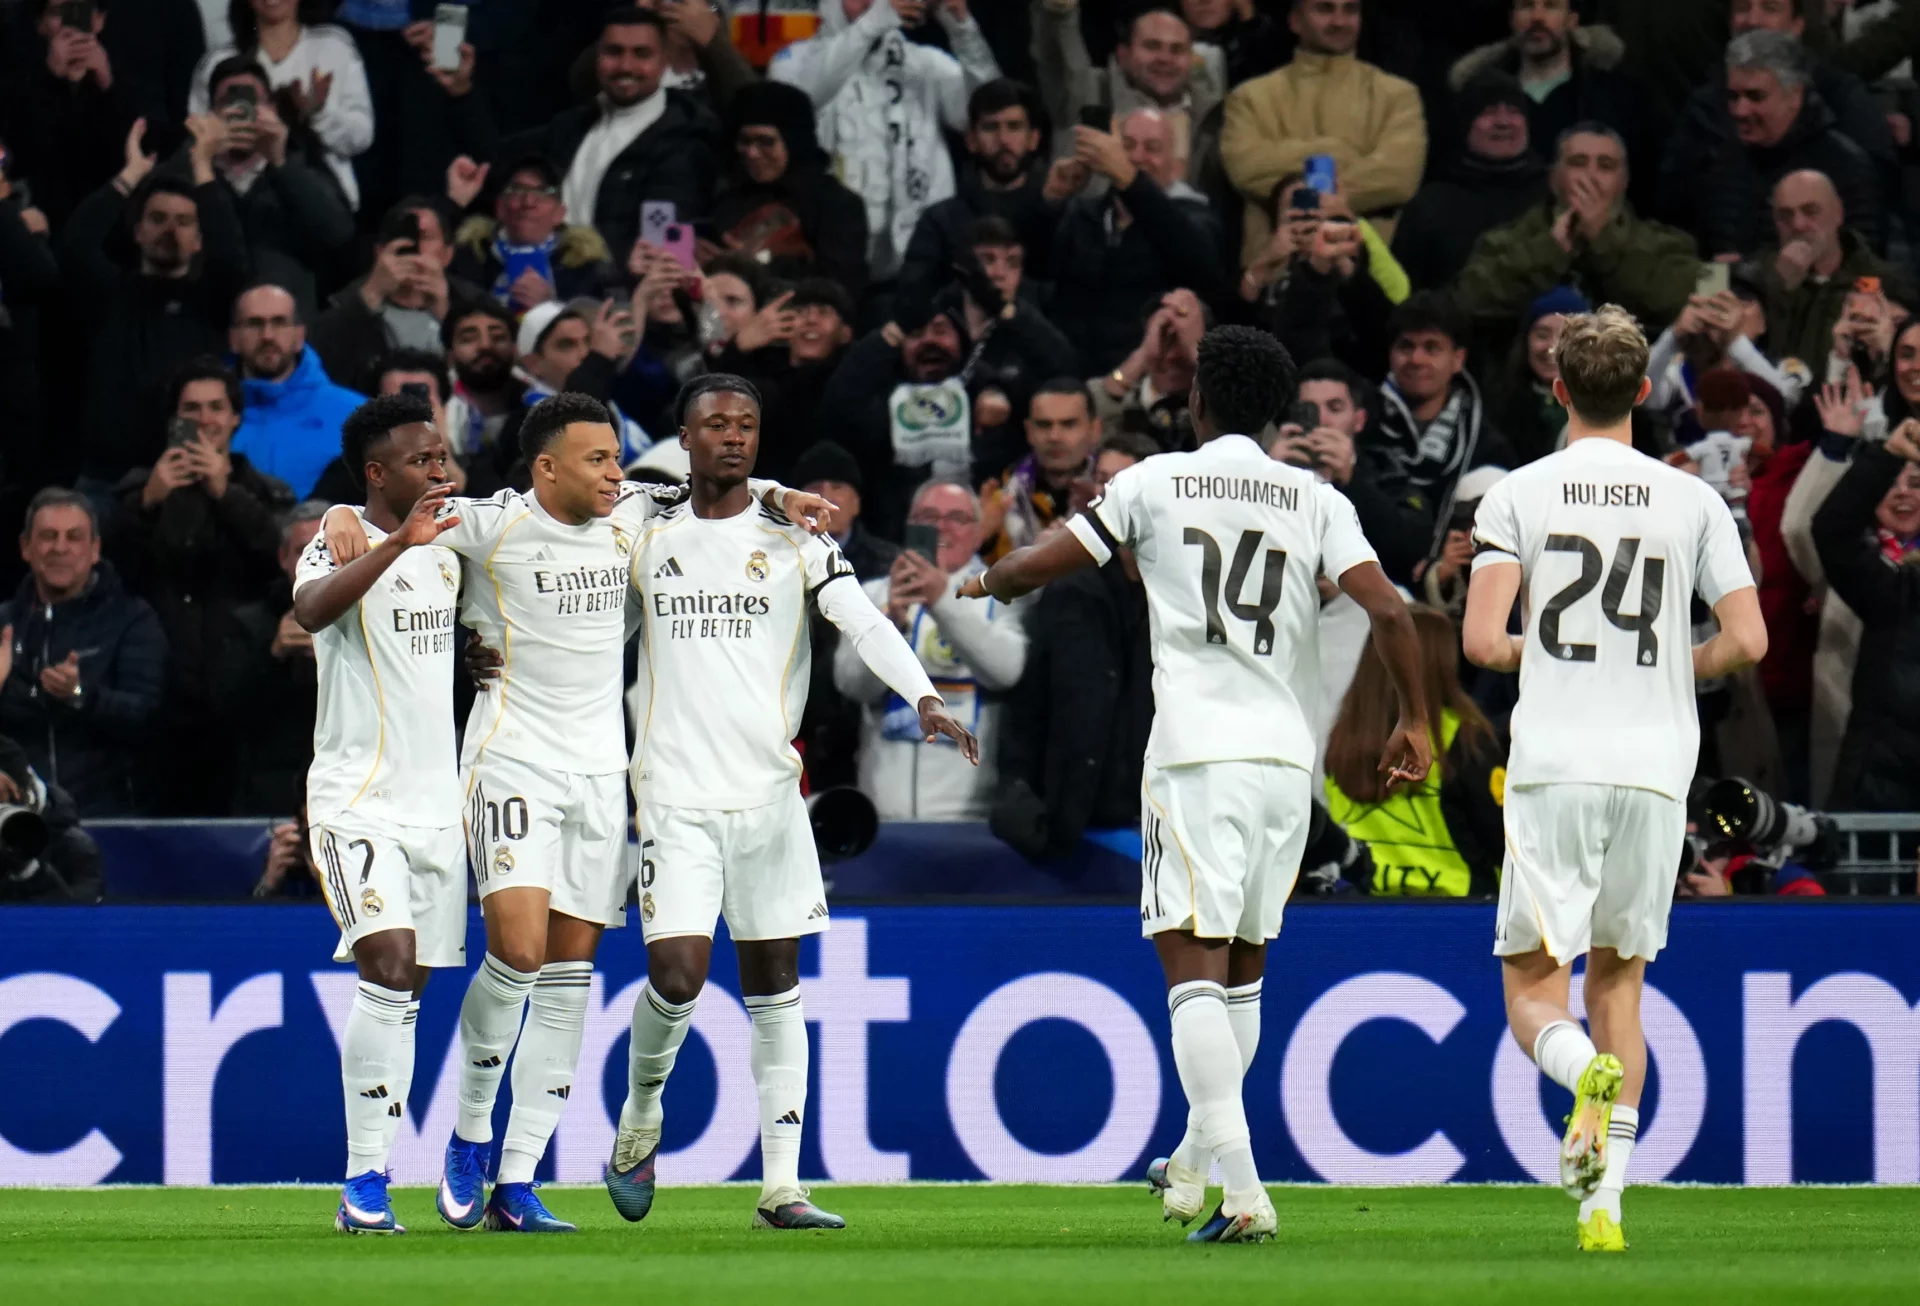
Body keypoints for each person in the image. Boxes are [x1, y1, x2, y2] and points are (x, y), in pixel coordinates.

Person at [960, 324, 1430, 1242]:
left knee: (1191, 970)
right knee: (1242, 973)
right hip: (1284, 766)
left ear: (1198, 401)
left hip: (1195, 757)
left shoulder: (1154, 481)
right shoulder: (1316, 498)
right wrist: (1413, 716)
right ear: (1279, 411)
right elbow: (1390, 609)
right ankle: (1192, 1161)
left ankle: (1246, 1194)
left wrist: (986, 581)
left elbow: (1036, 565)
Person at [322, 392, 832, 1234]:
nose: (616, 472)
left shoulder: (633, 511)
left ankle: (517, 1182)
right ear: (546, 466)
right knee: (518, 954)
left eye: (617, 457)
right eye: (598, 458)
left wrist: (783, 494)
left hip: (601, 774)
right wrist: (336, 513)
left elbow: (719, 484)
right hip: (511, 762)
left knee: (568, 981)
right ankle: (470, 1136)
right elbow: (383, 524)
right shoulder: (488, 523)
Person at [605, 374, 976, 1230]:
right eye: (715, 424)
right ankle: (641, 1115)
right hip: (674, 795)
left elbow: (866, 622)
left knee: (776, 984)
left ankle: (781, 1185)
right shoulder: (646, 530)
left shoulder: (798, 539)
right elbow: (605, 549)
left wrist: (923, 695)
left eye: (746, 424)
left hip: (771, 796)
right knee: (677, 979)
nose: (733, 436)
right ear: (685, 437)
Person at [1461, 306, 1768, 1252]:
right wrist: (1673, 662)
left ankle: (1576, 1073)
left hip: (1556, 766)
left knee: (1533, 990)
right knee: (1619, 987)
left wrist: (1558, 654)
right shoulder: (1693, 501)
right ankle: (1606, 1206)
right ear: (1642, 390)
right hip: (1654, 772)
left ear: (1558, 388)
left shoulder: (1516, 494)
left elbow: (1482, 642)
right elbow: (1749, 640)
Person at [288, 393, 466, 1234]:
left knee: (408, 992)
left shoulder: (457, 539)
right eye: (420, 461)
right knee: (388, 965)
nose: (438, 470)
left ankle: (378, 1172)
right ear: (375, 474)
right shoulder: (339, 538)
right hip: (356, 801)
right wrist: (393, 541)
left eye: (441, 457)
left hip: (439, 806)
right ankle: (361, 1182)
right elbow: (310, 611)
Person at [111, 355, 287, 815]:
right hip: (161, 687)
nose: (204, 420)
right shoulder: (138, 490)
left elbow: (280, 561)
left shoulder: (264, 492)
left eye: (215, 407)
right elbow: (113, 569)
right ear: (174, 418)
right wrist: (147, 503)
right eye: (191, 409)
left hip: (240, 687)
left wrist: (225, 492)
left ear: (235, 418)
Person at [991, 430, 1158, 862]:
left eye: (1121, 482)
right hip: (1073, 827)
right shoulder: (1069, 587)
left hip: (1157, 826)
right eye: (1101, 480)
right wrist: (1016, 791)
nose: (1106, 493)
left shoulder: (1183, 594)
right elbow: (1031, 701)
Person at [64, 117, 250, 499]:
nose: (170, 230)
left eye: (183, 222)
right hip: (107, 479)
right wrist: (130, 176)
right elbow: (76, 246)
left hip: (190, 473)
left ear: (199, 240)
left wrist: (203, 167)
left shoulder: (210, 299)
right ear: (138, 231)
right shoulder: (112, 292)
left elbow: (231, 257)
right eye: (158, 219)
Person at [467, 10, 721, 285]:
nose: (626, 66)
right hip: (538, 285)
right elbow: (492, 162)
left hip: (615, 297)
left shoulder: (686, 141)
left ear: (664, 61)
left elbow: (666, 249)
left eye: (641, 54)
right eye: (614, 52)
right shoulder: (569, 126)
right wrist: (462, 94)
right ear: (597, 57)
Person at [769, 0, 1000, 281]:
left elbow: (986, 113)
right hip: (826, 259)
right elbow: (799, 104)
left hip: (918, 264)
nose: (872, 3)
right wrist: (875, 22)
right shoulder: (794, 60)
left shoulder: (925, 63)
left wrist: (962, 29)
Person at [836, 477, 1021, 820]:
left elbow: (1006, 671)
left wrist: (942, 600)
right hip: (883, 811)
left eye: (956, 518)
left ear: (978, 531)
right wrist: (889, 623)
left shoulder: (1001, 592)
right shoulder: (875, 593)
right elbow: (851, 684)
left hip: (967, 815)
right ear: (910, 525)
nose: (941, 527)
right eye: (928, 517)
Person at [1218, 0, 1427, 271]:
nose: (1339, 21)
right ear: (1295, 21)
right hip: (1274, 269)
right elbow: (1245, 168)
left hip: (1368, 271)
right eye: (1325, 9)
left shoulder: (1398, 96)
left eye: (1350, 10)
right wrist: (1337, 152)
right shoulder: (1249, 97)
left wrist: (1302, 192)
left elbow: (1399, 179)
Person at [0, 489, 166, 817]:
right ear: (25, 548)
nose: (60, 548)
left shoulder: (131, 619)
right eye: (48, 536)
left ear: (95, 550)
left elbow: (149, 718)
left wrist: (79, 695)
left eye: (74, 537)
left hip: (108, 817)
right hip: (18, 821)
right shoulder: (3, 624)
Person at [1456, 124, 1700, 343]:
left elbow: (1683, 307)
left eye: (1605, 166)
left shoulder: (1668, 245)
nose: (1591, 176)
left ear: (1624, 181)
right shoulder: (1504, 240)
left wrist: (1603, 241)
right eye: (1578, 163)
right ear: (1554, 178)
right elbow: (1470, 301)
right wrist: (1550, 251)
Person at [1324, 604, 1507, 896]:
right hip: (1459, 907)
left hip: (1362, 904)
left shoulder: (1340, 741)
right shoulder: (1465, 739)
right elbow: (1503, 840)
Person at [1659, 30, 1884, 257]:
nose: (1740, 111)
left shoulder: (1846, 166)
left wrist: (1764, 275)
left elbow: (1864, 265)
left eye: (1755, 96)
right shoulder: (1719, 159)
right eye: (1733, 97)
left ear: (1794, 95)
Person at [1049, 108, 1225, 376]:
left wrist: (1131, 182)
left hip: (1153, 377)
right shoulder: (1082, 214)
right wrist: (1051, 200)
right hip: (1072, 377)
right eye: (1127, 146)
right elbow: (1034, 267)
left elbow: (1199, 262)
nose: (1136, 158)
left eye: (1152, 148)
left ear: (1177, 165)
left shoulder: (1196, 218)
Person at [1810, 416, 1920, 812]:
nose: (1903, 493)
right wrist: (1886, 457)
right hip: (1877, 799)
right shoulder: (1901, 593)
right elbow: (1832, 533)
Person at [196, 53, 355, 314]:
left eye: (252, 101)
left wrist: (281, 163)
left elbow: (339, 233)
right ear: (211, 113)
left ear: (271, 108)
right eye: (228, 102)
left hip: (288, 320)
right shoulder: (192, 167)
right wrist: (201, 162)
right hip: (211, 318)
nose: (240, 112)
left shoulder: (302, 160)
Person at [189, 0, 374, 210]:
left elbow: (361, 137)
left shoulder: (334, 47)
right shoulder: (218, 61)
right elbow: (196, 138)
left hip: (322, 204)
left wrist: (319, 114)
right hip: (237, 203)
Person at [901, 78, 1076, 298]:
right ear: (971, 140)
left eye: (1014, 127)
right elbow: (913, 299)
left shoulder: (1065, 214)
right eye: (990, 127)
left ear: (1033, 139)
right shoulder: (940, 221)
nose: (1003, 140)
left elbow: (1073, 296)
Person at [1031, 4, 1228, 186]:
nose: (1165, 58)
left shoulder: (1215, 114)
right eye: (1152, 46)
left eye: (1177, 50)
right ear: (1123, 55)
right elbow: (1056, 59)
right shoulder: (1088, 93)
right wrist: (1059, 12)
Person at [709, 80, 870, 297]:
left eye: (765, 141)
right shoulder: (728, 199)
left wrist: (758, 266)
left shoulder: (836, 205)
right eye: (745, 141)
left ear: (794, 142)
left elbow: (842, 289)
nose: (752, 153)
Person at [1391, 71, 1548, 293]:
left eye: (1514, 111)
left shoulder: (1555, 195)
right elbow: (1404, 295)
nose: (1503, 122)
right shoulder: (1431, 205)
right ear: (1466, 123)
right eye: (1489, 112)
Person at [1445, 0, 1642, 173]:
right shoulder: (1478, 100)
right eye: (1526, 5)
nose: (1537, 17)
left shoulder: (1617, 97)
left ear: (1572, 21)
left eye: (1550, 6)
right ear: (1512, 20)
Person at [309, 197, 474, 398]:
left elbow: (489, 375)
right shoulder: (342, 307)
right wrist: (369, 296)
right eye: (404, 236)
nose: (415, 247)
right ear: (379, 252)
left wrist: (449, 315)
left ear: (447, 254)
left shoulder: (473, 302)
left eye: (425, 237)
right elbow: (319, 371)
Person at [228, 283, 366, 500]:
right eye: (254, 324)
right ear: (234, 339)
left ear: (299, 335)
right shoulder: (209, 413)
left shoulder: (355, 413)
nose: (267, 335)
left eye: (279, 322)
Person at [1755, 169, 1902, 371]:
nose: (1798, 225)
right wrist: (1779, 288)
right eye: (1785, 215)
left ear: (1838, 213)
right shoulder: (1755, 280)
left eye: (1811, 211)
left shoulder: (1885, 282)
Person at [448, 154, 620, 314]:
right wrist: (452, 203)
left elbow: (609, 324)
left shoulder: (588, 267)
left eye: (543, 192)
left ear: (559, 213)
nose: (528, 202)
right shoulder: (468, 256)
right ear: (500, 207)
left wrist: (552, 307)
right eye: (517, 190)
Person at [981, 378, 1102, 560]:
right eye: (1044, 425)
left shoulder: (1117, 495)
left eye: (1068, 424)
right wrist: (984, 541)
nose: (1054, 436)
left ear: (1094, 430)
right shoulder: (999, 500)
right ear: (1029, 431)